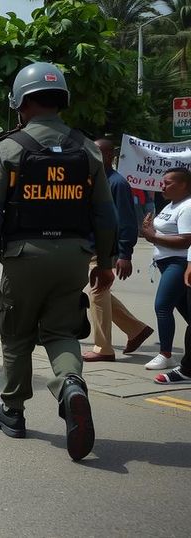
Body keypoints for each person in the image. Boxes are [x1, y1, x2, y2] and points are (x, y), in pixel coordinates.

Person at [0, 62, 117, 461]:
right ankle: (71, 384)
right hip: (73, 257)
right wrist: (104, 261)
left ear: (22, 102)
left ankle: (13, 411)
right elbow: (105, 214)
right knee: (61, 332)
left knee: (17, 334)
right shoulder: (88, 148)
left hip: (23, 257)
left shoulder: (9, 149)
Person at [82, 139, 153, 362]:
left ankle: (103, 348)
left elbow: (127, 221)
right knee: (100, 294)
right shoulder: (91, 181)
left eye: (98, 152)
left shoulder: (117, 183)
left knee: (97, 293)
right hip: (89, 246)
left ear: (109, 155)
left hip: (106, 249)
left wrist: (125, 254)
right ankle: (136, 329)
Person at [140, 167, 191, 370]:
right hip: (165, 263)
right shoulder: (171, 205)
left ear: (184, 185)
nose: (162, 185)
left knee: (162, 307)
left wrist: (152, 236)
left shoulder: (187, 206)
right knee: (187, 313)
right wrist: (149, 229)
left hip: (178, 264)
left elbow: (186, 240)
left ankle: (166, 354)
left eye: (168, 182)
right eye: (162, 182)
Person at [156, 252, 191, 384]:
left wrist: (154, 236)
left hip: (179, 260)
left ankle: (186, 370)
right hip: (170, 259)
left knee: (162, 306)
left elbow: (186, 237)